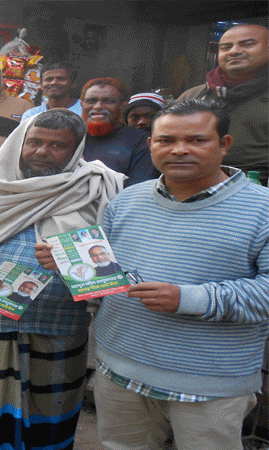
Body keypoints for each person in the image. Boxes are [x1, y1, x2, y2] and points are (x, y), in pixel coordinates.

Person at [71, 99, 269, 450]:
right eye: (165, 141)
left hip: (209, 387)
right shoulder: (127, 201)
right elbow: (105, 279)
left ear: (224, 144)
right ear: (150, 145)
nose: (179, 150)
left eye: (196, 140)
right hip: (119, 373)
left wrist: (187, 299)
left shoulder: (262, 209)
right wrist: (70, 266)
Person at [0, 108, 124, 450]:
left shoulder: (96, 189)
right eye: (35, 142)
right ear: (20, 144)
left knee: (51, 419)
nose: (43, 152)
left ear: (76, 149)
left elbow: (113, 265)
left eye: (57, 145)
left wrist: (69, 266)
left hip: (60, 330)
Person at [178, 24, 268, 185]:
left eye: (248, 45)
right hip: (194, 184)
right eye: (226, 47)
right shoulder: (195, 95)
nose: (234, 51)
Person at [80, 77, 160, 186]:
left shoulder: (141, 141)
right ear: (82, 105)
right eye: (91, 101)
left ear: (122, 106)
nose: (98, 106)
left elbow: (137, 189)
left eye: (108, 101)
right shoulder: (72, 137)